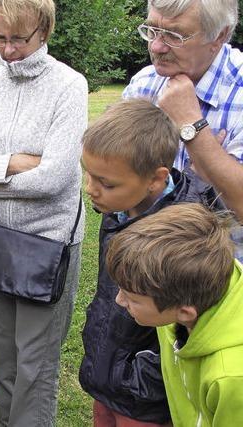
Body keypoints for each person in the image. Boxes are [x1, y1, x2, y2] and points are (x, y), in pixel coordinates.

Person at [0, 0, 87, 424]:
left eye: (18, 39)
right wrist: (13, 161)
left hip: (48, 242)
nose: (7, 50)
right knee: (3, 357)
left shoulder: (68, 85)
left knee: (36, 364)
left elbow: (54, 179)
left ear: (43, 31)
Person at [78, 99, 226, 427]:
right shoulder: (121, 205)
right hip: (109, 373)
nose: (92, 189)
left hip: (147, 396)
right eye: (89, 174)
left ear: (156, 180)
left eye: (106, 183)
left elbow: (190, 324)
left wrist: (142, 373)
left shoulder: (185, 232)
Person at [106, 203, 243, 426]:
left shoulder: (232, 378)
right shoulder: (188, 294)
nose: (119, 301)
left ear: (184, 312)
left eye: (132, 298)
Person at [123, 0, 243, 254]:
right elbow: (114, 182)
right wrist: (207, 177)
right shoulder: (144, 84)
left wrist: (192, 128)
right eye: (152, 30)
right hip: (146, 262)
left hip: (225, 278)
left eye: (174, 35)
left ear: (219, 36)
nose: (156, 46)